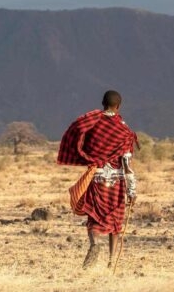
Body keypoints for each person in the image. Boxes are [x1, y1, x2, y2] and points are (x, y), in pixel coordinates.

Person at [57, 90, 138, 269]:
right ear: (118, 106)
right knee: (115, 220)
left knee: (94, 216)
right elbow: (126, 163)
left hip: (97, 178)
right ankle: (111, 261)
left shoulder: (93, 124)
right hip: (117, 182)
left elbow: (79, 134)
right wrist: (132, 190)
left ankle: (94, 244)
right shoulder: (124, 130)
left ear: (103, 103)